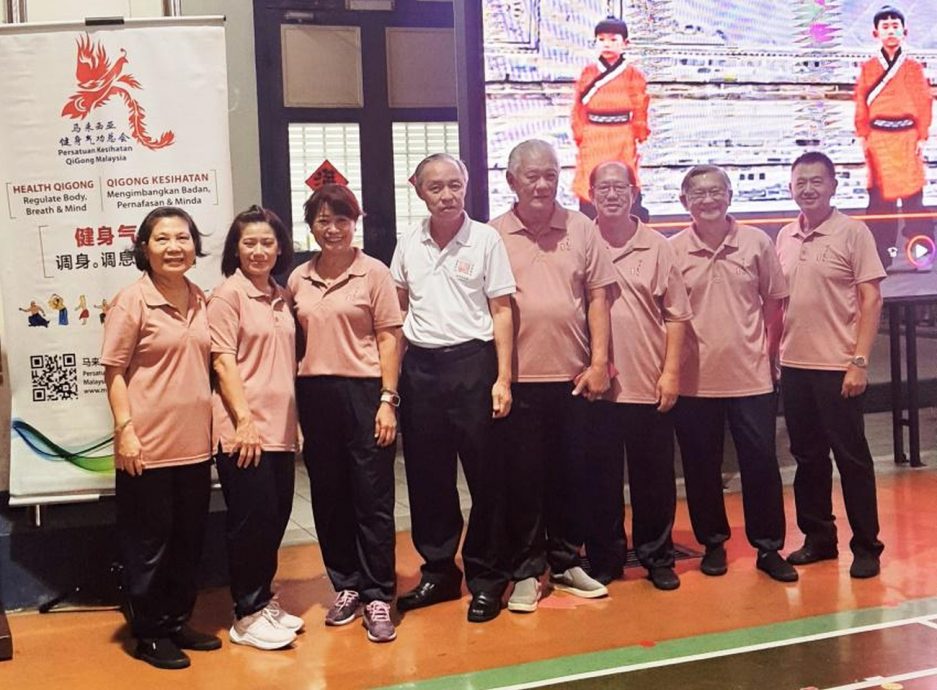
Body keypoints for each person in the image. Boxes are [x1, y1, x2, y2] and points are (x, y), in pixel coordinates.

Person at [489, 139, 616, 612]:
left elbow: (599, 298)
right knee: (522, 480)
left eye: (550, 175)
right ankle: (526, 570)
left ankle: (565, 562)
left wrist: (599, 363)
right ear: (512, 181)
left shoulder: (582, 228)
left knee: (570, 476)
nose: (542, 185)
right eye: (532, 176)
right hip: (517, 381)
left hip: (573, 379)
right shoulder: (493, 234)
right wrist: (499, 378)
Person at [391, 153, 516, 623]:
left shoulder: (485, 240)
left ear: (466, 185)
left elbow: (502, 310)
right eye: (436, 187)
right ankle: (440, 571)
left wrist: (503, 378)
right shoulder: (409, 242)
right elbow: (398, 312)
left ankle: (488, 577)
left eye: (454, 185)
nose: (447, 195)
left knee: (488, 478)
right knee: (428, 477)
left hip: (473, 366)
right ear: (418, 189)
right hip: (421, 370)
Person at [101, 206, 220, 670]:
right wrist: (125, 431)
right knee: (148, 546)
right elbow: (114, 372)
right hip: (146, 448)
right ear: (144, 248)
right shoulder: (132, 301)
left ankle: (176, 621)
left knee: (188, 540)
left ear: (195, 245)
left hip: (195, 446)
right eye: (162, 239)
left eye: (183, 238)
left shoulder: (200, 298)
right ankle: (149, 634)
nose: (174, 247)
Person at [670, 166, 798, 583]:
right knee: (700, 465)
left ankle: (769, 547)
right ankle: (712, 543)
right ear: (684, 202)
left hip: (751, 376)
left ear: (729, 196)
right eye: (698, 194)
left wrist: (768, 353)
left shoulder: (756, 242)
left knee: (760, 462)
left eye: (716, 191)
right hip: (694, 380)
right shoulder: (672, 250)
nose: (708, 200)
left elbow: (774, 302)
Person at [288, 184, 402, 643]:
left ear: (356, 223)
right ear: (311, 226)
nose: (332, 229)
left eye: (341, 220)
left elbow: (390, 337)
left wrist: (388, 399)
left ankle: (378, 594)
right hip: (315, 394)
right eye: (323, 220)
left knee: (372, 497)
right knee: (329, 495)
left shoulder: (374, 273)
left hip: (365, 392)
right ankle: (346, 584)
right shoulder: (298, 279)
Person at [777, 151, 886, 579]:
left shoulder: (853, 232)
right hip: (794, 366)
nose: (808, 189)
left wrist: (859, 361)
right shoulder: (784, 235)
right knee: (808, 458)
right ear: (791, 187)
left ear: (833, 186)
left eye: (816, 181)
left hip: (839, 367)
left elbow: (871, 299)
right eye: (800, 182)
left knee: (851, 458)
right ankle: (819, 539)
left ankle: (867, 546)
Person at [585, 161, 690, 591]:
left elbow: (677, 316)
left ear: (634, 192)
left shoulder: (658, 247)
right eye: (603, 187)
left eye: (620, 187)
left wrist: (670, 373)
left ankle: (657, 557)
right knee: (600, 480)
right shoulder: (582, 240)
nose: (612, 195)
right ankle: (605, 559)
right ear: (591, 194)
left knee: (654, 479)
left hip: (647, 382)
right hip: (595, 388)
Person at [208, 206, 301, 650]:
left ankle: (262, 599)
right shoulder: (228, 296)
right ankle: (246, 615)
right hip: (244, 432)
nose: (259, 251)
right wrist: (243, 421)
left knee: (274, 518)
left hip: (279, 430)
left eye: (267, 242)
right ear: (236, 249)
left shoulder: (281, 295)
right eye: (249, 243)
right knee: (251, 523)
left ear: (280, 248)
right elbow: (222, 361)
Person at [855, 5, 934, 269]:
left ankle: (920, 253)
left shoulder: (913, 68)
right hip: (879, 141)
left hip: (907, 140)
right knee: (879, 203)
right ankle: (880, 257)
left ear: (904, 31)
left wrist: (921, 136)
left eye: (895, 26)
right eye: (885, 26)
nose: (890, 31)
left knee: (914, 201)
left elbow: (924, 102)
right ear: (875, 32)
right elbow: (861, 103)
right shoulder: (868, 68)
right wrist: (863, 136)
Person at [571, 15, 650, 222]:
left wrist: (639, 131)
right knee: (591, 176)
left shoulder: (633, 74)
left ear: (625, 43)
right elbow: (579, 106)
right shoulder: (588, 72)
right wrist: (580, 133)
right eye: (601, 39)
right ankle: (589, 217)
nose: (607, 44)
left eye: (613, 39)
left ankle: (630, 218)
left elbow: (640, 103)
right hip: (594, 135)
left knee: (624, 175)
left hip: (622, 135)